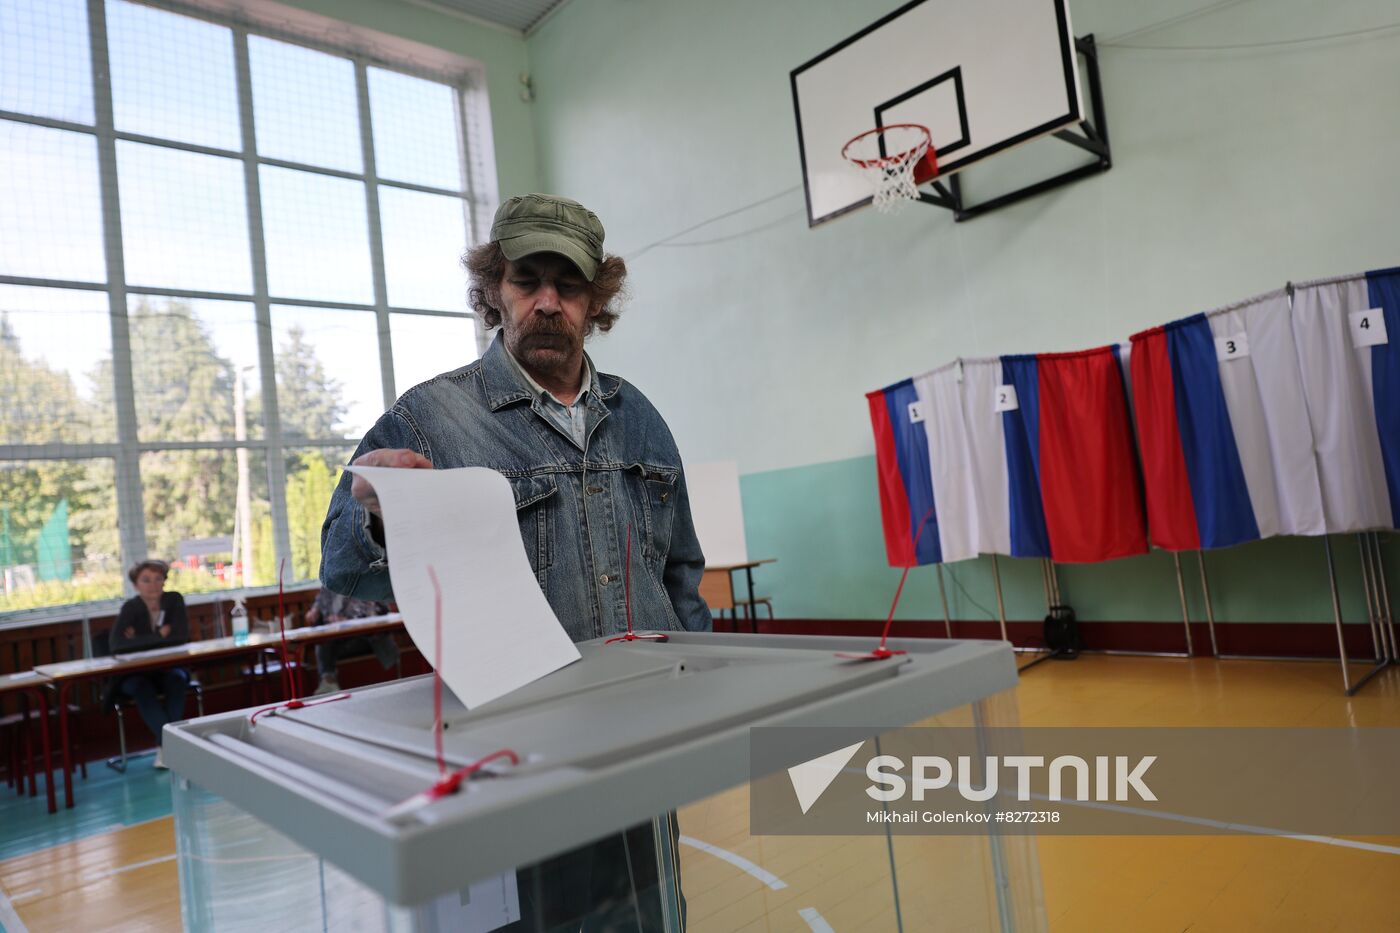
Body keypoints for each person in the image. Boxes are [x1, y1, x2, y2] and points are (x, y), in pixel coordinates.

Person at [320, 193, 708, 930]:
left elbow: (680, 578)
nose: (548, 302)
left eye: (569, 285)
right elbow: (343, 569)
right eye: (528, 280)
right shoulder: (429, 420)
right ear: (494, 290)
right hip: (514, 763)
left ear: (598, 301)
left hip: (639, 750)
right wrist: (373, 511)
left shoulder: (640, 418)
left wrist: (700, 712)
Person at [108, 559, 190, 769]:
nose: (153, 585)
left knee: (178, 679)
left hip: (167, 669)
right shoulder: (131, 607)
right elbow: (117, 645)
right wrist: (158, 635)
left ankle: (165, 748)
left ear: (164, 581)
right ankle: (173, 745)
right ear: (136, 585)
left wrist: (137, 640)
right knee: (141, 687)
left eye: (158, 579)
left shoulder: (173, 600)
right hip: (135, 674)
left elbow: (181, 636)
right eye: (146, 580)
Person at [304, 587, 399, 695]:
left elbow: (378, 611)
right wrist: (314, 612)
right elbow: (319, 603)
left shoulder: (363, 583)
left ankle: (328, 680)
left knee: (327, 643)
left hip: (366, 640)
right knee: (322, 642)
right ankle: (328, 681)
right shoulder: (329, 586)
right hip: (340, 642)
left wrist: (347, 620)